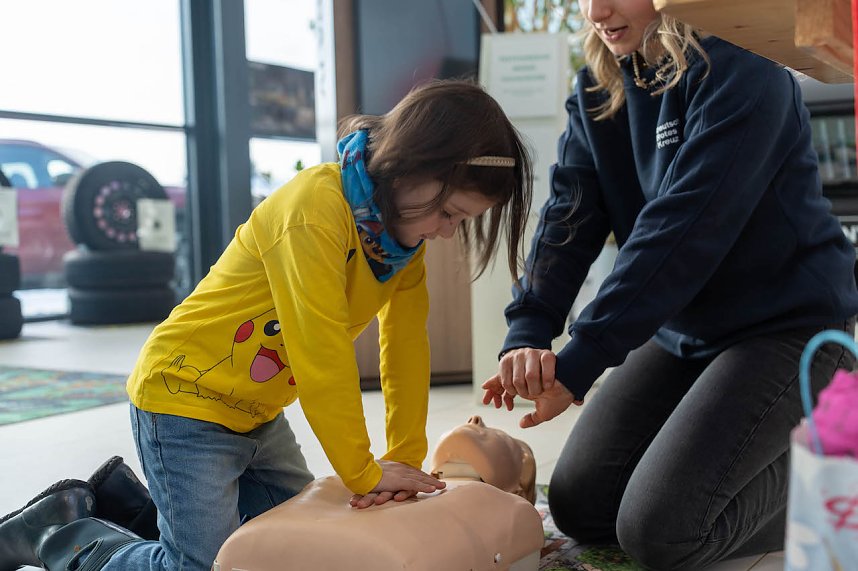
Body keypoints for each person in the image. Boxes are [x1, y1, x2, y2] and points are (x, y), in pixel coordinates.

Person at [0, 79, 532, 571]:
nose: (446, 233)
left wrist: (403, 461)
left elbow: (406, 348)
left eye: (460, 222)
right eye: (450, 213)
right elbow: (320, 351)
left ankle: (127, 503)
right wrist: (364, 471)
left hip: (256, 418)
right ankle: (63, 534)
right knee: (202, 567)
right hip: (183, 403)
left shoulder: (399, 245)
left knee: (291, 546)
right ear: (413, 166)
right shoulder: (314, 210)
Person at [481, 1, 858, 569]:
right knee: (582, 506)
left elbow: (681, 232)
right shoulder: (599, 86)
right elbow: (569, 216)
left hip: (787, 327)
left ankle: (843, 474)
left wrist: (583, 358)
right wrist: (529, 328)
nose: (596, 11)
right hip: (683, 332)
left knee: (664, 531)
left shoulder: (745, 69)